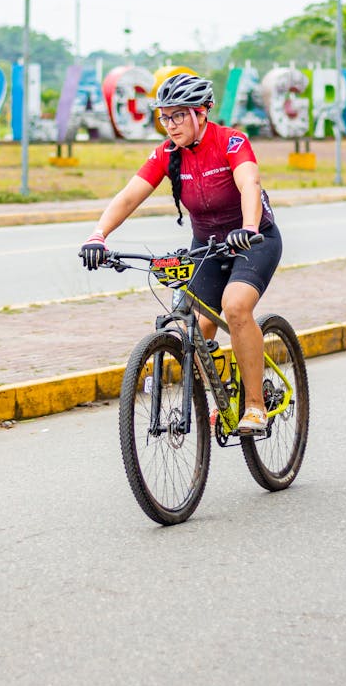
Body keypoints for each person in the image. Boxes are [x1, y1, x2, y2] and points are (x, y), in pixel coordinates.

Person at [79, 73, 283, 433]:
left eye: (178, 115)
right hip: (206, 247)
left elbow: (249, 183)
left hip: (254, 240)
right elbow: (130, 195)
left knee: (235, 306)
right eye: (165, 116)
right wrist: (99, 235)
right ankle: (223, 394)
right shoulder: (168, 154)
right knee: (197, 330)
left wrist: (249, 229)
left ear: (201, 113)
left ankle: (254, 406)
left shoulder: (232, 142)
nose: (170, 125)